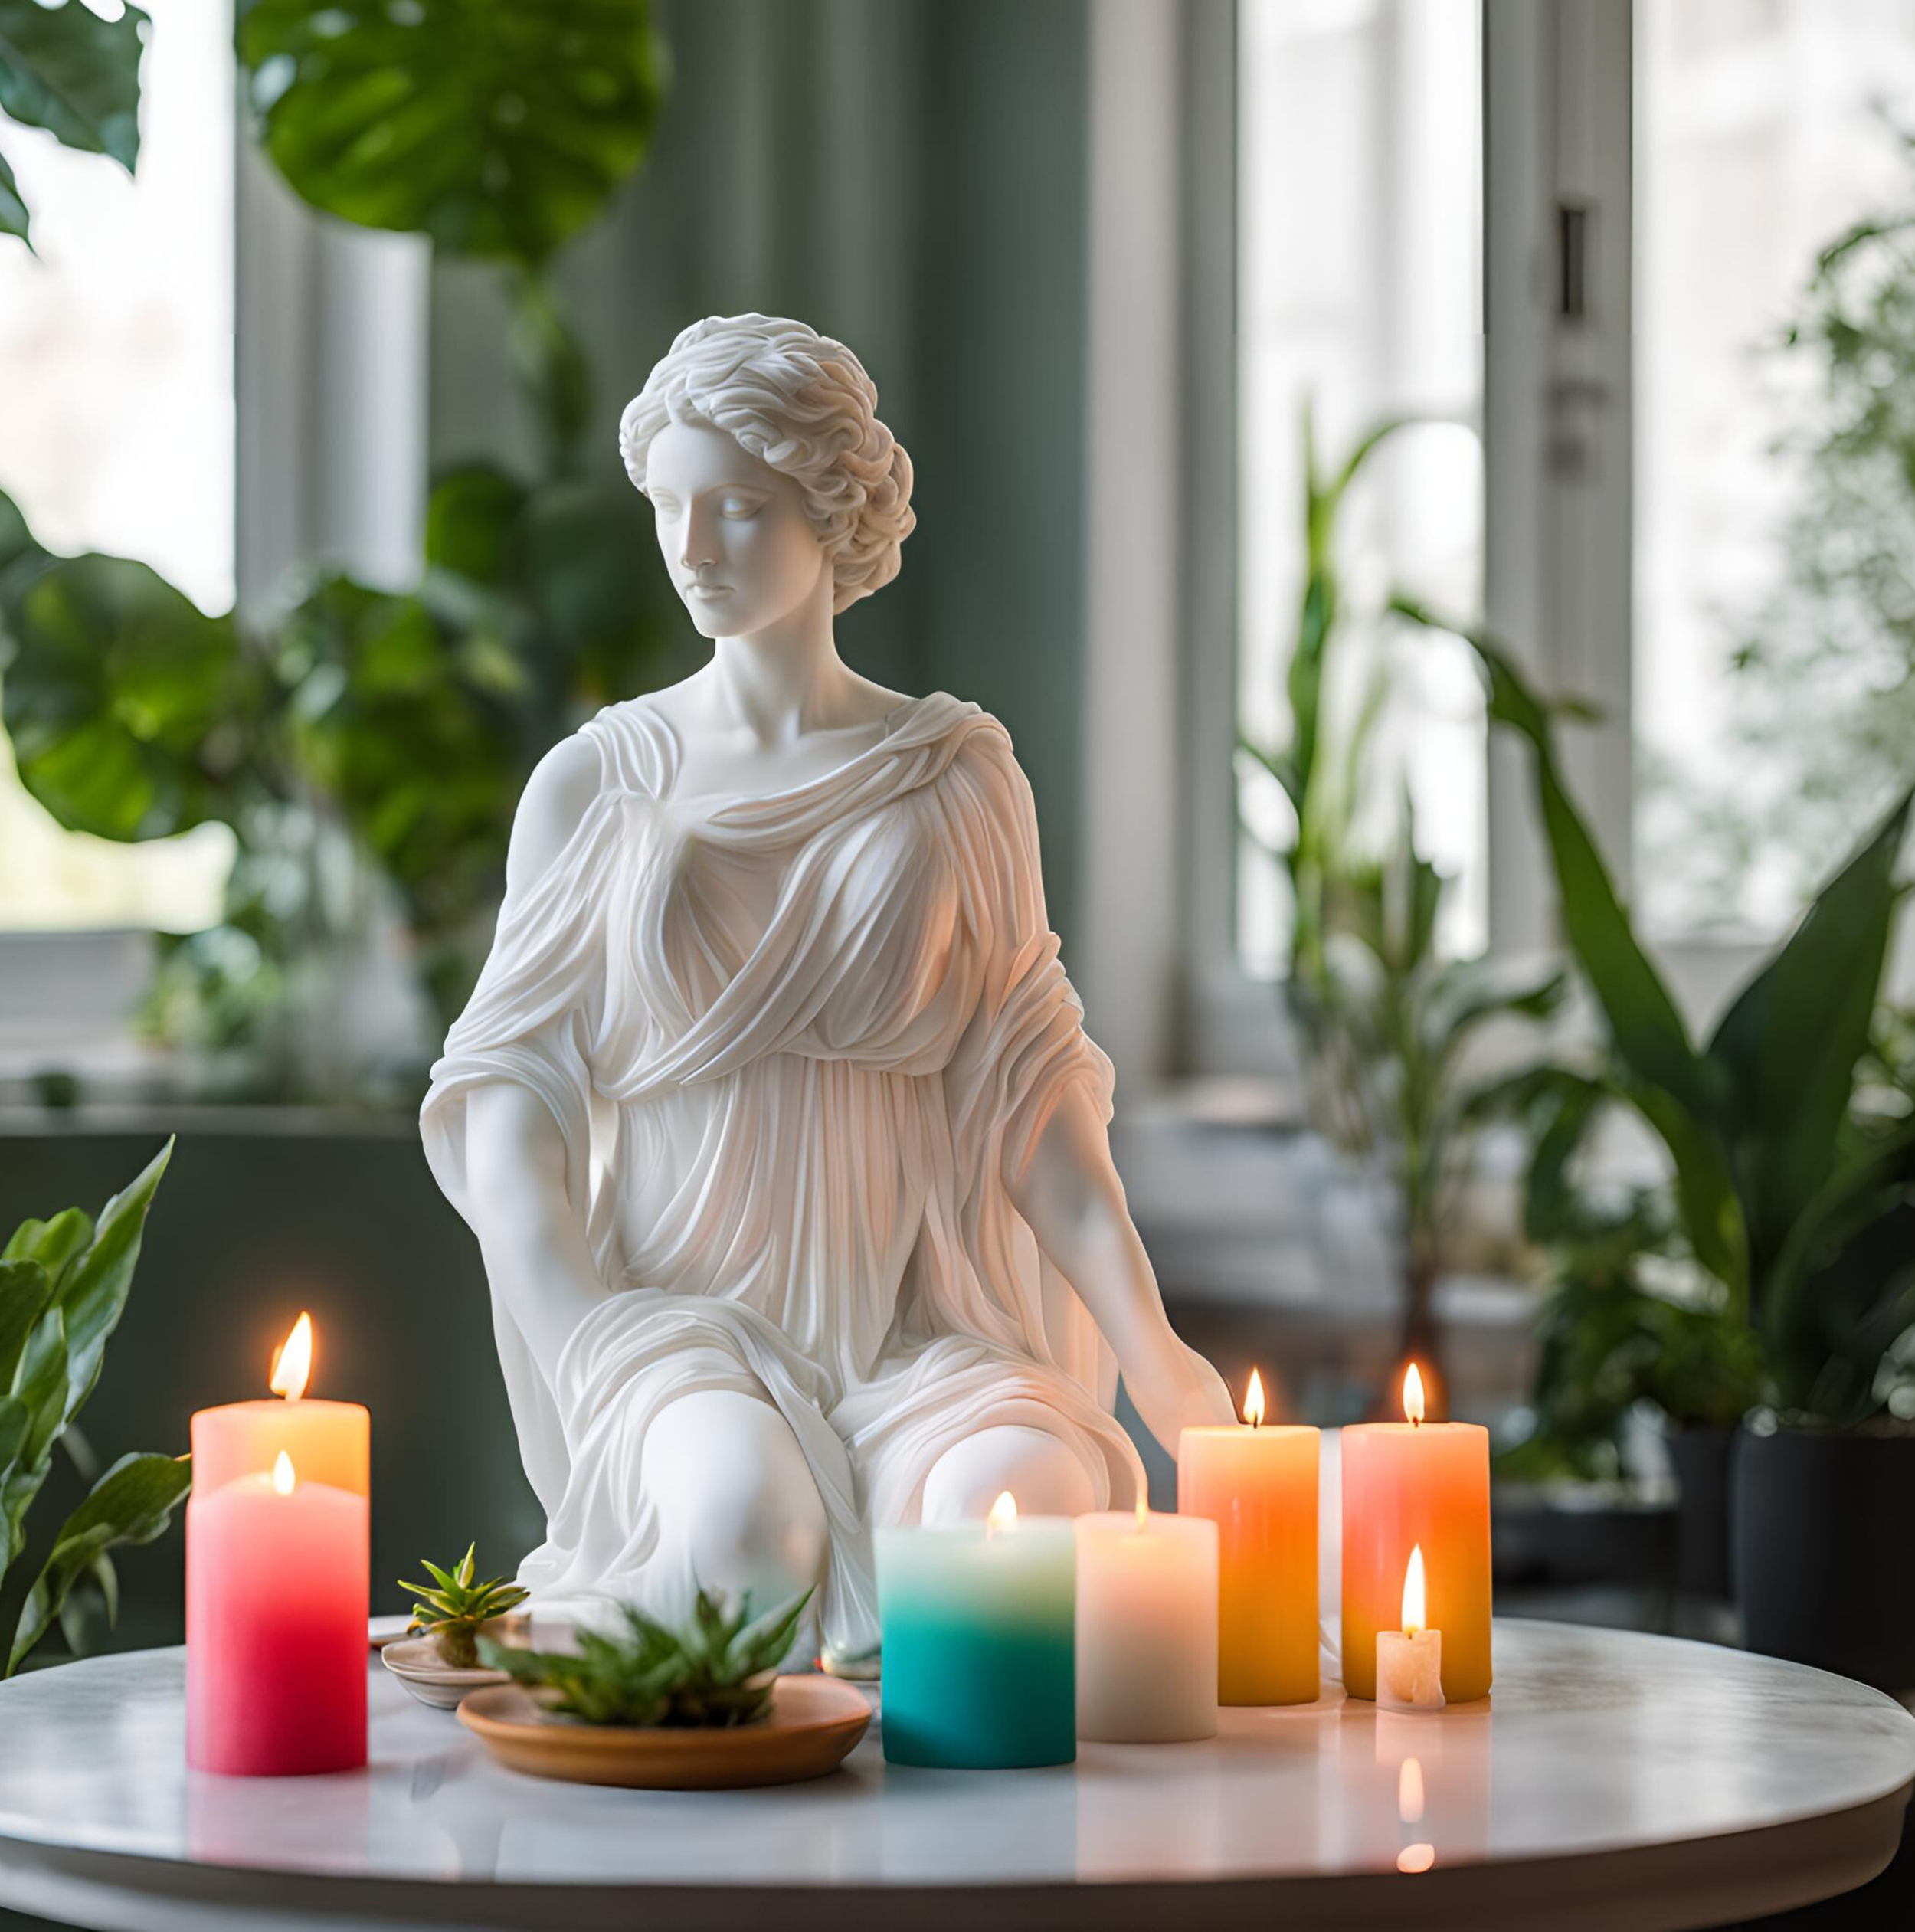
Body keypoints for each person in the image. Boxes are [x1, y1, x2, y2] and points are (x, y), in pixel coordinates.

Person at [421, 314, 1232, 1668]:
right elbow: (508, 1120)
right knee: (748, 1538)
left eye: (736, 508)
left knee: (1013, 1509)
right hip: (680, 1333)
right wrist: (590, 1349)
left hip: (920, 1327)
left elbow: (1033, 1098)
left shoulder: (954, 779)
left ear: (831, 513)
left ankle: (970, 1855)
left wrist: (1153, 1348)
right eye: (672, 507)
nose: (691, 548)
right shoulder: (599, 786)